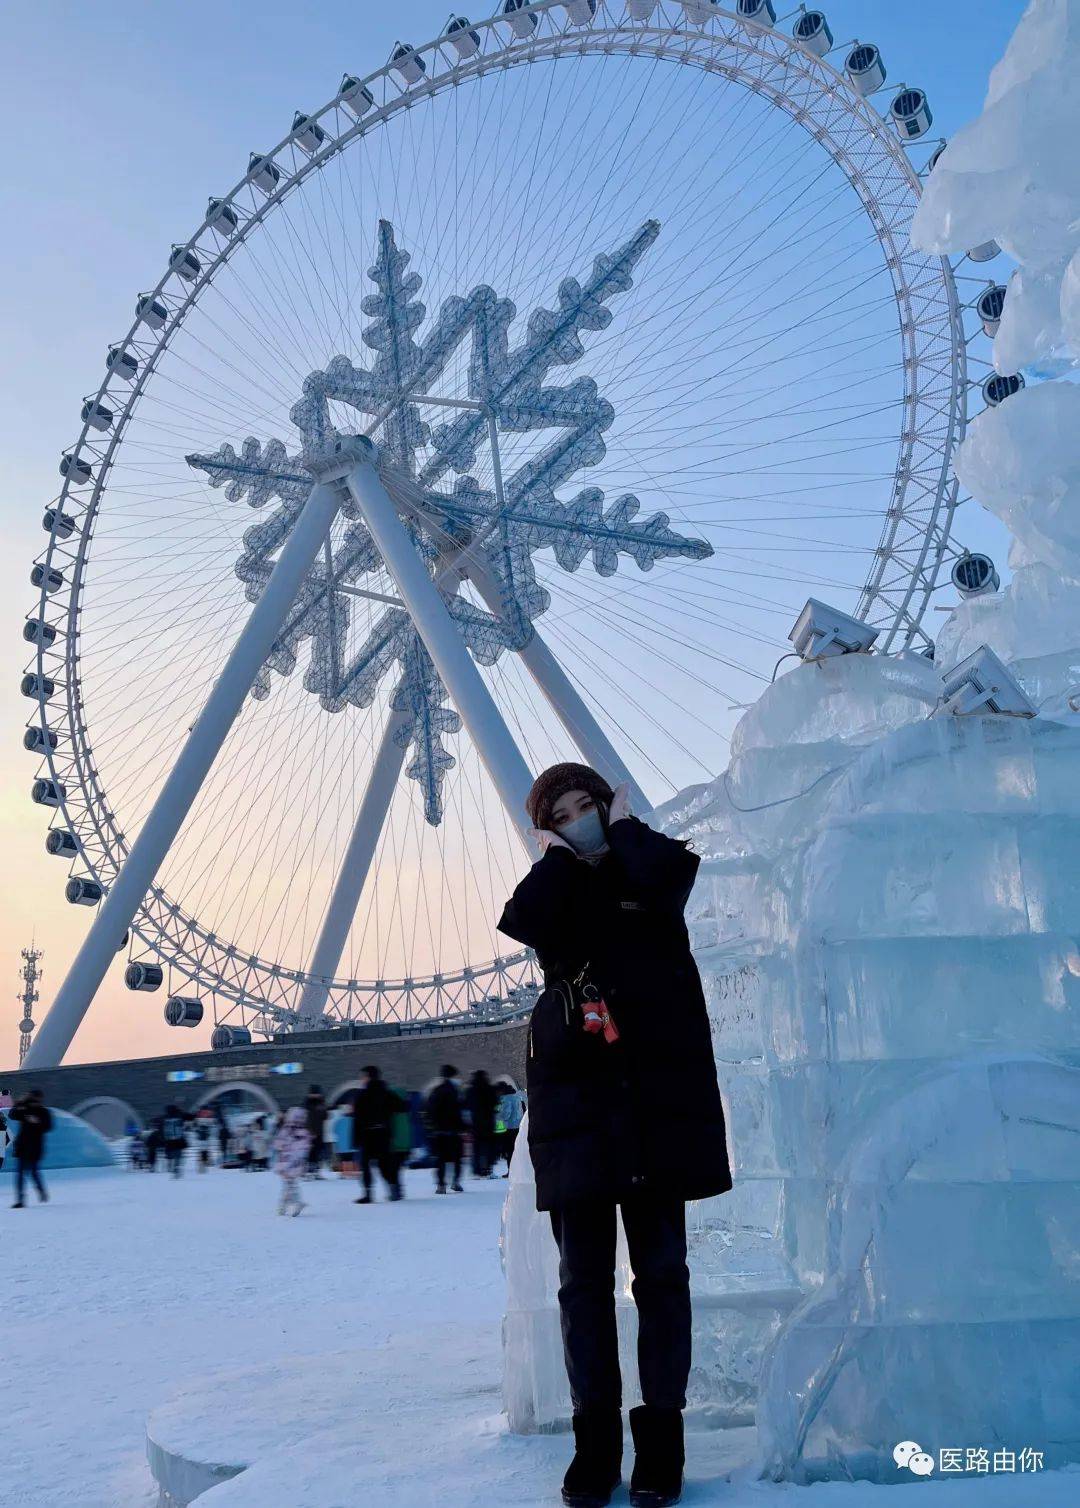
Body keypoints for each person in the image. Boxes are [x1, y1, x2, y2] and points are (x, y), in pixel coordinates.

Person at [498, 763, 733, 1508]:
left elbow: (673, 875)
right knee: (583, 1288)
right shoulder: (558, 888)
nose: (580, 819)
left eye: (587, 805)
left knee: (663, 1279)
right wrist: (562, 857)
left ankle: (660, 1444)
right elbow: (525, 918)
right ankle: (594, 1446)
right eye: (562, 814)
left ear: (606, 803)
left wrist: (626, 826)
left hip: (659, 1108)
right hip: (581, 1115)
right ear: (549, 829)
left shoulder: (649, 868)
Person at [350, 1066, 405, 1203]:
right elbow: (402, 1106)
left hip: (367, 1134)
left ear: (368, 1076)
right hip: (383, 1133)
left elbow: (357, 1119)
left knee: (366, 1165)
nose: (361, 1079)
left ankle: (368, 1194)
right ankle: (393, 1189)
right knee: (385, 1164)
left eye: (363, 1076)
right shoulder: (386, 1092)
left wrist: (355, 1139)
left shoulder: (361, 1095)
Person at [423, 1066, 465, 1195]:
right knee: (457, 1158)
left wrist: (432, 1126)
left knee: (440, 1159)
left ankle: (441, 1184)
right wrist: (463, 1127)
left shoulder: (436, 1091)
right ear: (453, 1076)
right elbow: (460, 1111)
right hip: (454, 1130)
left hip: (439, 1131)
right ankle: (455, 1182)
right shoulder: (456, 1091)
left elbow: (429, 1110)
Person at [9, 1089, 54, 1209]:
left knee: (33, 1172)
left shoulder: (43, 1112)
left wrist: (37, 1122)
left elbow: (48, 1126)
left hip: (35, 1147)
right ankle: (20, 1200)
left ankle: (41, 1191)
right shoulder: (25, 1109)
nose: (34, 1102)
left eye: (36, 1099)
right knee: (19, 1174)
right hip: (22, 1146)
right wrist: (19, 1103)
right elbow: (12, 1114)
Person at [273, 1106, 311, 1216]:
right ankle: (287, 1204)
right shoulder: (304, 1132)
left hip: (285, 1161)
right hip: (295, 1163)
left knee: (289, 1184)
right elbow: (304, 1149)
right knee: (290, 1184)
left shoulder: (285, 1130)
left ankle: (289, 1203)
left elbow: (277, 1145)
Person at [466, 1069, 498, 1178]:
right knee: (489, 1147)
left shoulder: (470, 1090)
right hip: (489, 1122)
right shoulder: (490, 1089)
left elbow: (467, 1105)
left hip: (475, 1123)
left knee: (476, 1148)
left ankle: (476, 1170)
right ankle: (488, 1169)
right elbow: (496, 1103)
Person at [494, 1081, 525, 1177]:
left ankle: (511, 1171)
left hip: (509, 1128)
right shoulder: (517, 1097)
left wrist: (497, 1114)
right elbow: (523, 1110)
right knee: (517, 1149)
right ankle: (519, 1171)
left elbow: (506, 1114)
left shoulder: (505, 1099)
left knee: (509, 1150)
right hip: (518, 1126)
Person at [303, 1084, 328, 1178]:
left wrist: (323, 1105)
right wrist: (310, 1131)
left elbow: (325, 1116)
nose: (317, 1095)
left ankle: (316, 1171)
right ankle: (310, 1171)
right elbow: (307, 1119)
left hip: (320, 1131)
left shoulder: (321, 1103)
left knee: (318, 1151)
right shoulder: (307, 1104)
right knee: (311, 1152)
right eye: (315, 1093)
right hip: (310, 1132)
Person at [162, 1105, 188, 1177]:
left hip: (169, 1140)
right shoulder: (179, 1116)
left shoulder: (165, 1117)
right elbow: (187, 1117)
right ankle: (176, 1168)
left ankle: (172, 1167)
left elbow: (163, 1129)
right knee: (178, 1154)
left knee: (171, 1154)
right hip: (178, 1139)